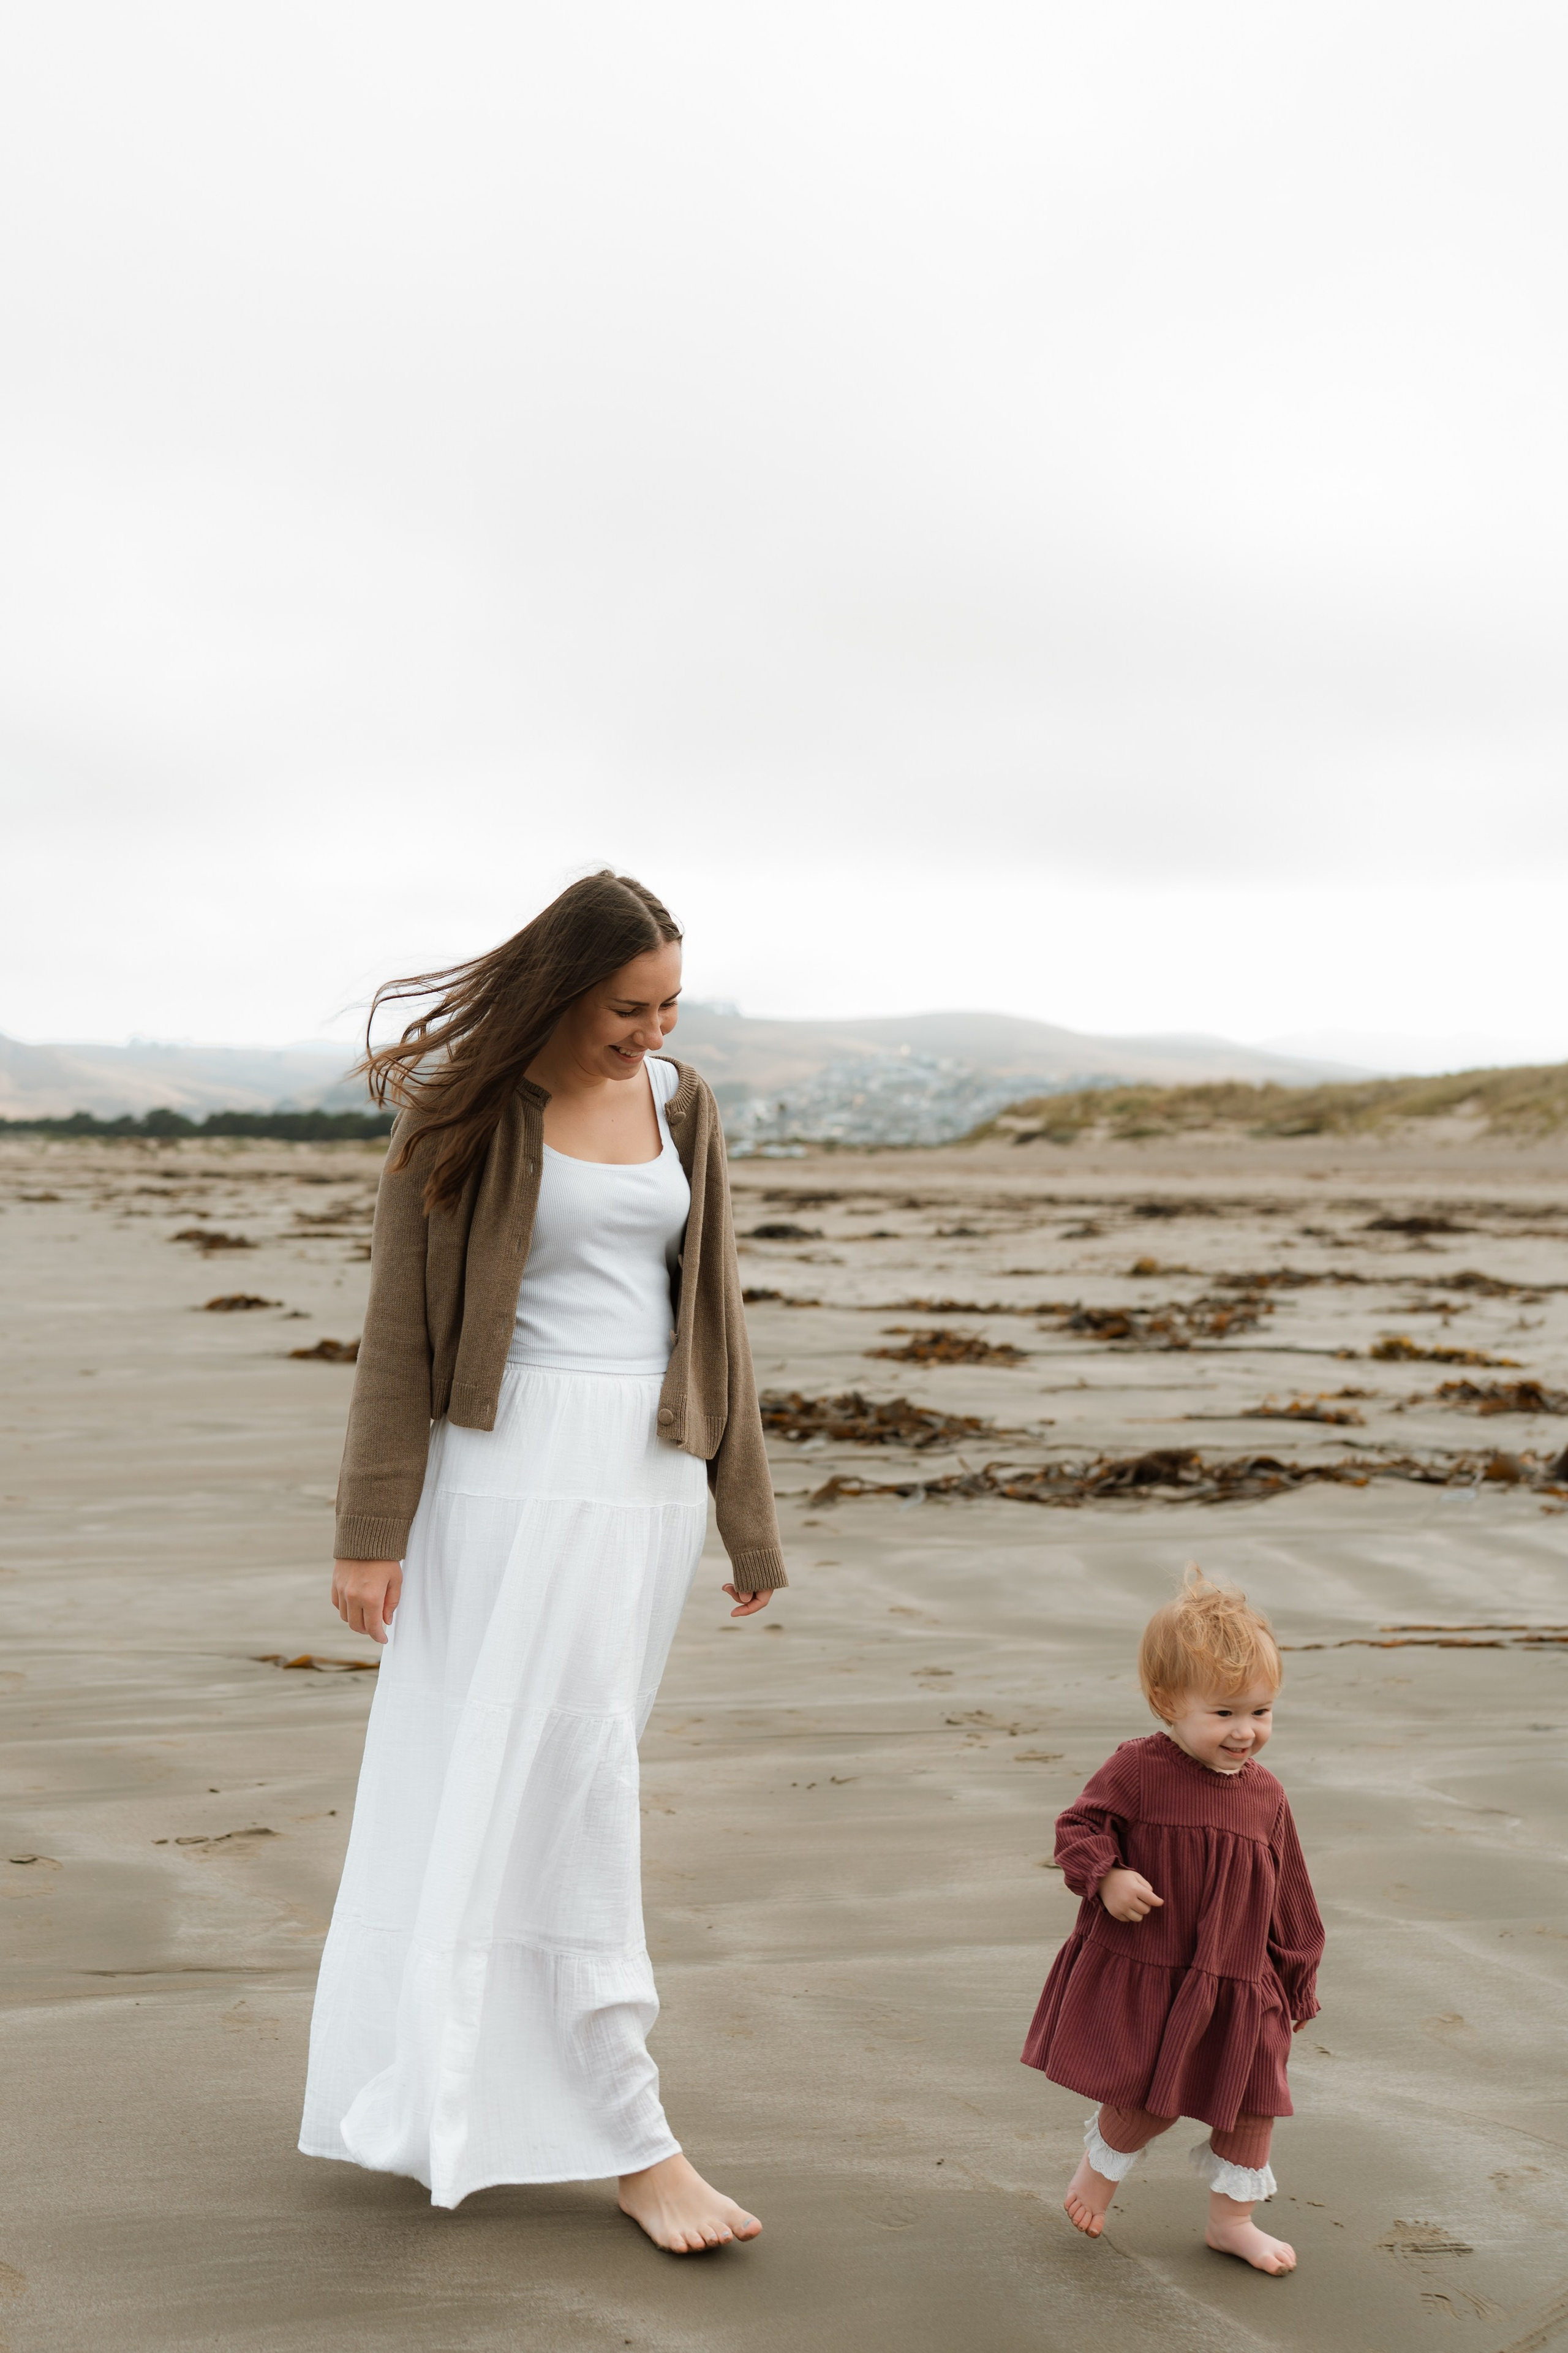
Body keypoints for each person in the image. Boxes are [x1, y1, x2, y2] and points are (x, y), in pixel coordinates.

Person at [298, 871, 786, 2254]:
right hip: (501, 1481)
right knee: (532, 1787)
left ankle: (510, 2089)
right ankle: (628, 2138)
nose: (650, 1030)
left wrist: (744, 1520)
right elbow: (399, 1325)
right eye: (626, 1006)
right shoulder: (460, 1106)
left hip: (643, 1483)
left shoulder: (684, 1104)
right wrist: (368, 1532)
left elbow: (718, 1320)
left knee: (574, 1779)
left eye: (668, 1004)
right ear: (562, 991)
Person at [1021, 1568, 1323, 2276]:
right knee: (1152, 2089)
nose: (1245, 1731)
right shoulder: (1139, 1768)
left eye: (1261, 1711)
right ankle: (1099, 2171)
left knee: (1253, 2101)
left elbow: (1291, 1892)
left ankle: (1232, 2222)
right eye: (1223, 1713)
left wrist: (1298, 1977)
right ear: (1167, 1702)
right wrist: (1107, 1876)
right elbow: (1078, 1827)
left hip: (1243, 1976)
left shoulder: (1266, 1795)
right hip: (1160, 1966)